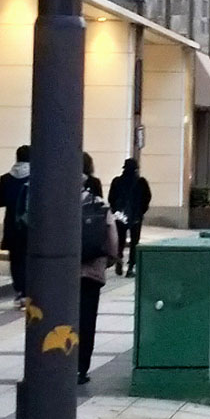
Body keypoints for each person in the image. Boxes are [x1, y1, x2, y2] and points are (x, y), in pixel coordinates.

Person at [78, 177, 119, 386]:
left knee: (64, 317)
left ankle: (60, 360)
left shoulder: (57, 204)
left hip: (64, 275)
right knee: (87, 321)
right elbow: (112, 240)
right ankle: (81, 368)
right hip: (92, 273)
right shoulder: (100, 205)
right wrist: (108, 261)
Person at [0, 145, 30, 308]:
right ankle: (29, 291)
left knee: (16, 259)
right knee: (30, 259)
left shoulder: (6, 178)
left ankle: (20, 291)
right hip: (31, 226)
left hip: (12, 226)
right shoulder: (37, 177)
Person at [109, 158, 151, 277]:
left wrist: (116, 211)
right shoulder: (141, 182)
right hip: (136, 216)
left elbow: (111, 198)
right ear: (136, 169)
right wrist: (141, 211)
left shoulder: (117, 181)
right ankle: (131, 267)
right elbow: (147, 197)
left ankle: (119, 258)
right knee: (134, 242)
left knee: (120, 240)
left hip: (120, 216)